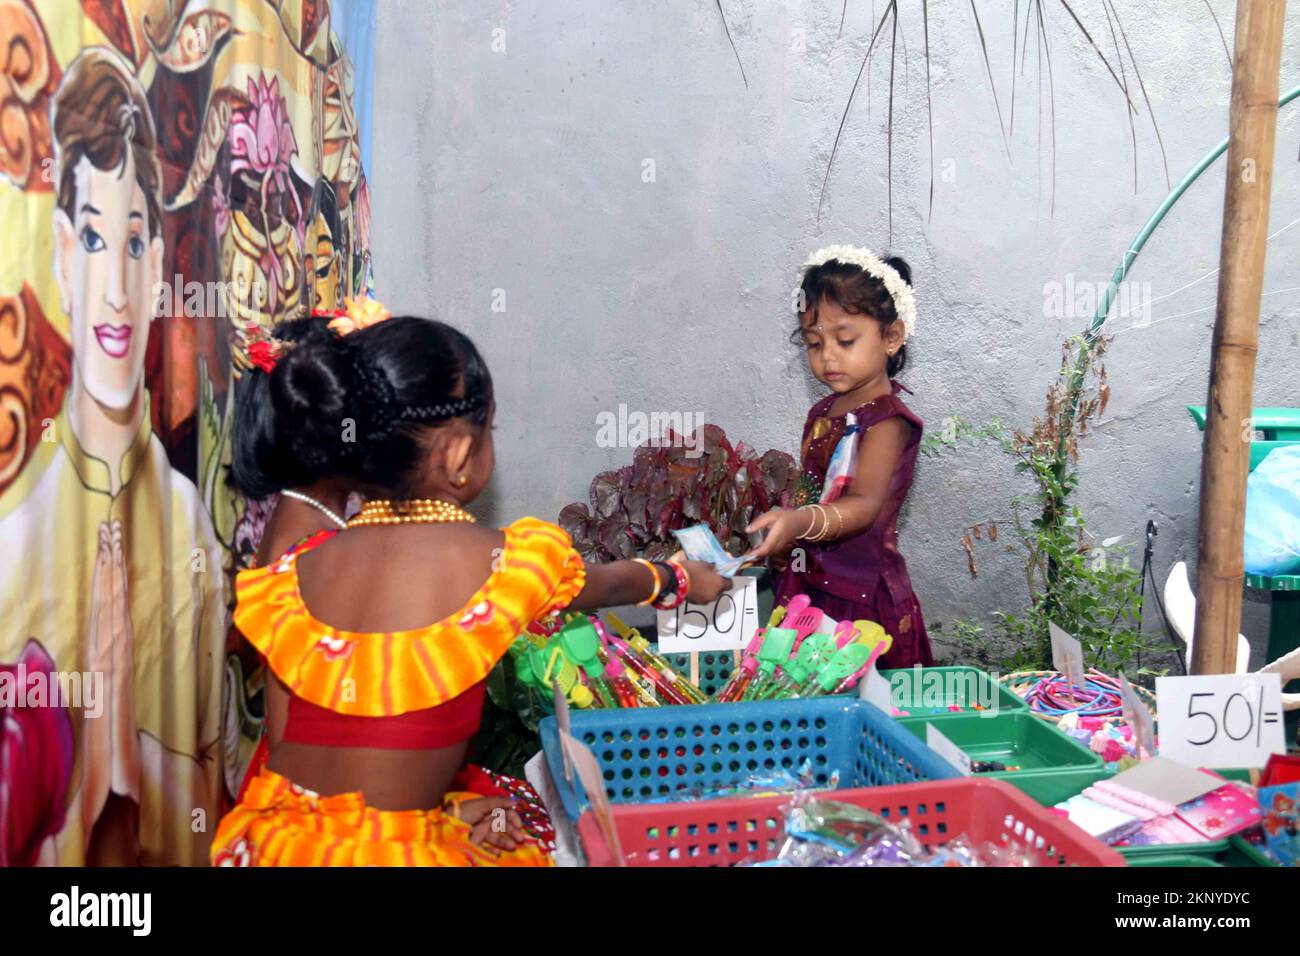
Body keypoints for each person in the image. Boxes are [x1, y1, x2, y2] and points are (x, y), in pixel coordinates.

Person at [211, 306, 729, 866]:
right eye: (491, 429)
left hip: (277, 845)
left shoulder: (295, 573)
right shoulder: (498, 563)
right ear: (459, 454)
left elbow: (294, 757)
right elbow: (608, 585)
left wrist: (434, 809)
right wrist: (676, 578)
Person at [0, 46, 224, 866]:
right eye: (93, 237)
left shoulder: (189, 524)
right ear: (60, 251)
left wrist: (125, 752)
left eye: (135, 242)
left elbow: (210, 802)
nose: (116, 290)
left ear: (163, 266)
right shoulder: (14, 545)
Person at [747, 245, 934, 670]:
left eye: (845, 340)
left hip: (860, 601)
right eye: (814, 343)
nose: (827, 355)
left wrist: (797, 523)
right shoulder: (822, 413)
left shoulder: (887, 420)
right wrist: (787, 540)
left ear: (892, 337)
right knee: (802, 697)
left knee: (866, 706)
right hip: (808, 587)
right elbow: (814, 490)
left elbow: (862, 506)